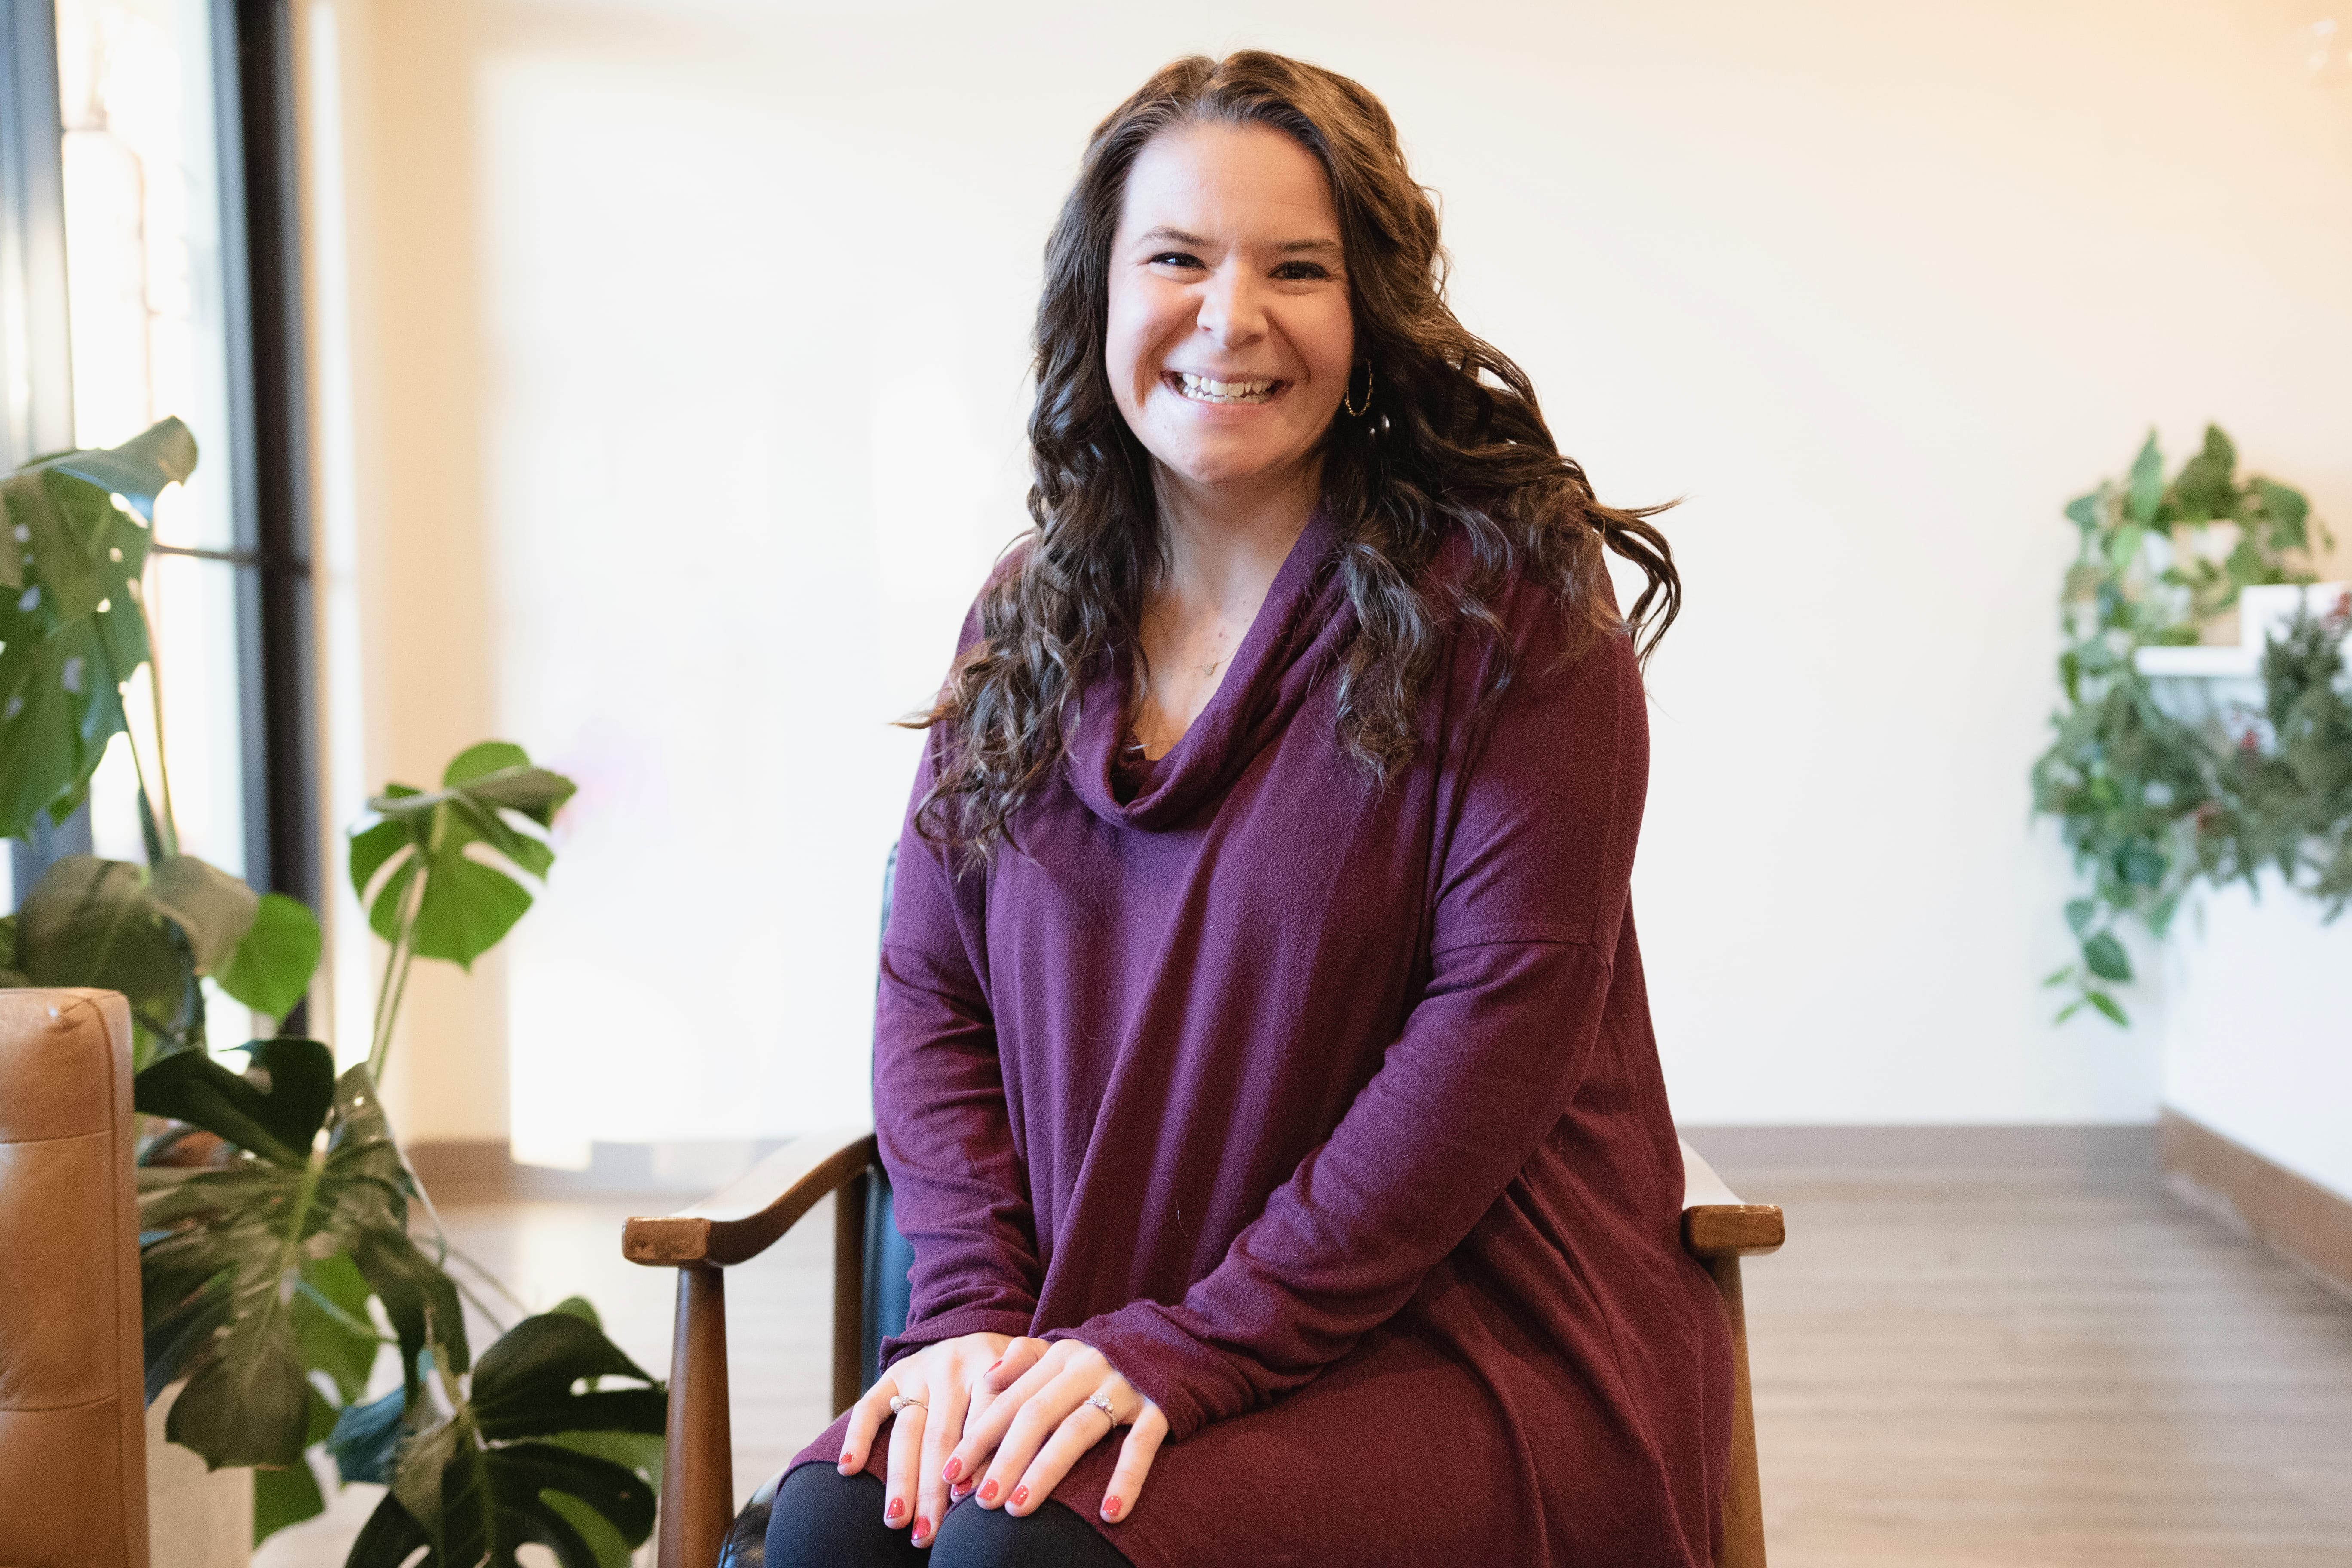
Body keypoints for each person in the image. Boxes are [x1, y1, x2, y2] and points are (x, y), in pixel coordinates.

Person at [767, 49, 1730, 1568]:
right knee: (839, 1530)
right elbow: (928, 990)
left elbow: (1497, 1030)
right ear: (1100, 293)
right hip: (1095, 1304)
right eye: (1177, 258)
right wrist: (965, 1321)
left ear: (1371, 312)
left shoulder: (1516, 608)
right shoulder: (1024, 619)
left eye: (1298, 266)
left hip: (1455, 1325)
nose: (1231, 317)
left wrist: (1196, 1346)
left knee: (1025, 1554)